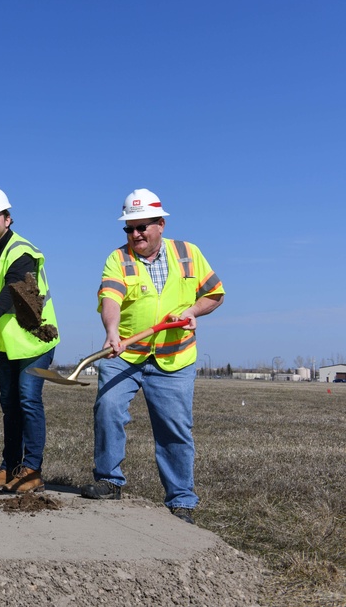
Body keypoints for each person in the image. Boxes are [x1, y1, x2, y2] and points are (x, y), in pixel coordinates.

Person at [81, 188, 224, 525]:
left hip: (174, 358)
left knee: (174, 427)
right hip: (126, 353)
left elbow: (215, 294)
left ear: (161, 224)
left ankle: (181, 501)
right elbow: (111, 298)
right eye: (129, 228)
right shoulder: (118, 259)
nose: (135, 235)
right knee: (108, 408)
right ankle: (108, 480)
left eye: (142, 227)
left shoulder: (188, 253)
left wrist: (193, 312)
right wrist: (112, 329)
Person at [0, 186, 60, 493]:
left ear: (7, 219)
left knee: (28, 400)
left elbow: (13, 289)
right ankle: (8, 468)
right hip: (7, 342)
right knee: (9, 404)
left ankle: (32, 470)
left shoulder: (22, 251)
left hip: (35, 340)